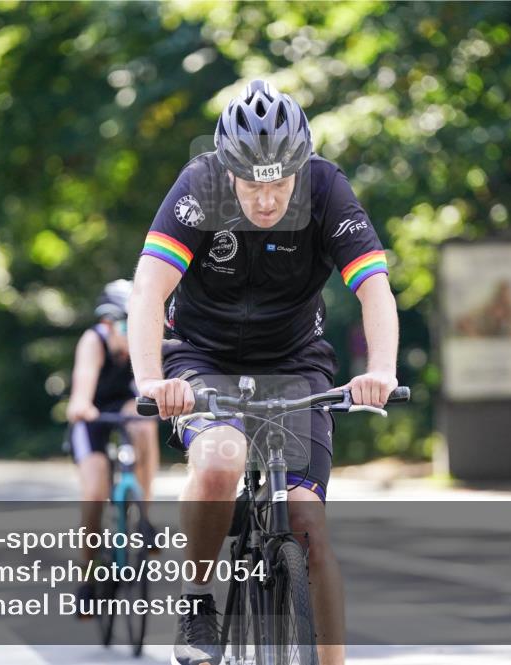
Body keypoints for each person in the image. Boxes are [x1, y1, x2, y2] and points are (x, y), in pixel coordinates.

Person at [128, 80, 400, 665]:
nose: (269, 198)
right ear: (229, 172)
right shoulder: (198, 187)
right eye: (254, 184)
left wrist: (379, 369)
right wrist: (152, 382)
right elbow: (149, 289)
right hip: (202, 356)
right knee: (221, 458)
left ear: (300, 168)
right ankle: (199, 599)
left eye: (280, 183)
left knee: (307, 522)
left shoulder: (327, 188)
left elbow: (375, 288)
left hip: (295, 359)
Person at [66, 279, 160, 616]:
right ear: (108, 324)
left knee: (144, 424)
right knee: (94, 491)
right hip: (91, 417)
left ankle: (144, 520)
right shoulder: (94, 342)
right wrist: (81, 405)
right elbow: (82, 388)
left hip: (122, 409)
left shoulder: (140, 345)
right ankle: (88, 577)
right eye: (122, 324)